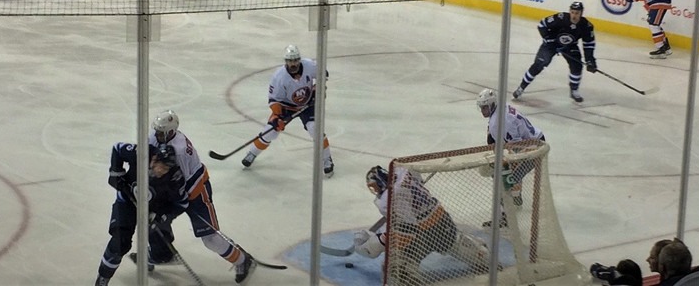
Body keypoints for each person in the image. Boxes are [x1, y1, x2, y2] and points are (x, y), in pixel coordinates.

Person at [150, 109, 257, 283]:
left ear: (171, 131)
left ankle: (243, 261)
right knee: (154, 220)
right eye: (157, 131)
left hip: (196, 191)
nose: (157, 134)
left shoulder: (180, 150)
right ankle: (160, 255)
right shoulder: (156, 137)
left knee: (210, 239)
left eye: (161, 132)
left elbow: (179, 182)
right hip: (175, 189)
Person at [354, 164, 490, 281]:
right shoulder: (403, 172)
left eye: (374, 187)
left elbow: (405, 233)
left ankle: (405, 272)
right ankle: (475, 250)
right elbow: (416, 179)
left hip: (420, 238)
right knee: (471, 251)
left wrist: (375, 243)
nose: (375, 191)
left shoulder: (387, 200)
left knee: (394, 272)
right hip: (443, 223)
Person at [95, 141, 187, 285]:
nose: (162, 171)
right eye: (161, 167)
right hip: (127, 202)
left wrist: (161, 216)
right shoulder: (142, 153)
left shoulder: (174, 177)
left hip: (153, 210)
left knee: (163, 250)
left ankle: (147, 258)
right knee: (120, 242)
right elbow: (117, 148)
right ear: (154, 159)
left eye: (166, 169)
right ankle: (103, 278)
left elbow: (181, 204)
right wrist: (115, 172)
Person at [242, 44, 334, 176]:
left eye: (296, 60)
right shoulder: (279, 77)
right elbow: (274, 100)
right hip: (286, 107)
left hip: (308, 104)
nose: (293, 63)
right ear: (286, 61)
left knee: (316, 130)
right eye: (290, 61)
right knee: (271, 132)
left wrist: (318, 89)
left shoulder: (309, 65)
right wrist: (277, 117)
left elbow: (323, 74)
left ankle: (327, 159)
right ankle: (252, 153)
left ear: (299, 59)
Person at [476, 87, 544, 217]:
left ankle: (504, 215)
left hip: (533, 148)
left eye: (485, 107)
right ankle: (516, 199)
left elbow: (517, 147)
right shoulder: (500, 109)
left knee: (504, 180)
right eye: (481, 107)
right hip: (532, 141)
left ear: (492, 104)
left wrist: (505, 166)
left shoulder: (500, 122)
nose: (483, 111)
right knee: (507, 175)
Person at [512, 1, 597, 103]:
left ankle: (574, 90)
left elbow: (588, 44)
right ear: (570, 11)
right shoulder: (560, 18)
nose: (574, 15)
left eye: (577, 13)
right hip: (551, 43)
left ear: (581, 13)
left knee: (577, 66)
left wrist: (590, 60)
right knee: (538, 65)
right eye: (573, 12)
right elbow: (542, 24)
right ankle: (521, 88)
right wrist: (548, 38)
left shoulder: (586, 26)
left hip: (569, 45)